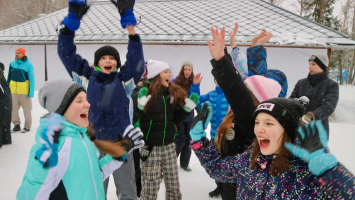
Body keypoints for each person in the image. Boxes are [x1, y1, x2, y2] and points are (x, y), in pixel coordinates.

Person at [189, 26, 355, 199]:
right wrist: (198, 140)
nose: (259, 129)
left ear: (286, 129)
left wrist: (329, 172)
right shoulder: (250, 161)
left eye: (268, 123)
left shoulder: (302, 176)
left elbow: (241, 99)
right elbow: (217, 167)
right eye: (258, 123)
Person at [57, 0, 145, 199]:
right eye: (104, 58)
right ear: (97, 63)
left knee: (128, 192)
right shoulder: (85, 77)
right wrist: (70, 24)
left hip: (122, 144)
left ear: (116, 63)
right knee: (95, 192)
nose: (108, 61)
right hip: (93, 146)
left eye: (112, 58)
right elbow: (66, 53)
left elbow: (136, 61)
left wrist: (130, 25)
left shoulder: (125, 80)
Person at [16, 79, 145, 200]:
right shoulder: (53, 148)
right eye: (79, 101)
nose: (88, 104)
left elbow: (93, 176)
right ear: (61, 108)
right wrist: (41, 169)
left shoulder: (84, 139)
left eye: (86, 99)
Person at [133, 59, 199, 200]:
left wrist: (187, 110)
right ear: (156, 74)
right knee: (150, 191)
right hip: (150, 148)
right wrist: (139, 108)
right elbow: (133, 122)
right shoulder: (143, 94)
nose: (170, 74)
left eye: (169, 71)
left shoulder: (170, 95)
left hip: (169, 147)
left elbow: (174, 121)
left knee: (174, 188)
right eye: (166, 71)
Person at [290, 54, 339, 138]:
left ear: (322, 66)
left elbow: (329, 106)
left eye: (313, 64)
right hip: (298, 130)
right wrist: (296, 102)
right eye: (309, 64)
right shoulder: (301, 83)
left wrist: (312, 116)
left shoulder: (331, 85)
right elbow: (291, 100)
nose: (309, 67)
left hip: (319, 132)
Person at [172, 60, 196, 172]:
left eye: (189, 69)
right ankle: (171, 163)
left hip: (190, 117)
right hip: (179, 117)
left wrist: (200, 112)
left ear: (191, 71)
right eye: (185, 69)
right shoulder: (175, 81)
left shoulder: (194, 83)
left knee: (188, 141)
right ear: (182, 70)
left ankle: (184, 164)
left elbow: (197, 98)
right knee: (179, 141)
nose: (187, 71)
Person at [7, 48, 35, 133]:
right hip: (13, 92)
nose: (16, 54)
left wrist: (31, 93)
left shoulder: (28, 65)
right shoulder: (12, 64)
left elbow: (32, 79)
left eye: (18, 53)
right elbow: (9, 78)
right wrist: (7, 89)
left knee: (27, 110)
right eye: (16, 53)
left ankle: (27, 126)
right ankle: (16, 125)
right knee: (13, 110)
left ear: (23, 54)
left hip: (24, 92)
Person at [0, 62, 12, 147]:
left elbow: (4, 93)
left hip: (3, 103)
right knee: (5, 122)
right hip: (6, 103)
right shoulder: (2, 78)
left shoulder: (1, 79)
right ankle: (6, 139)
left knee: (2, 122)